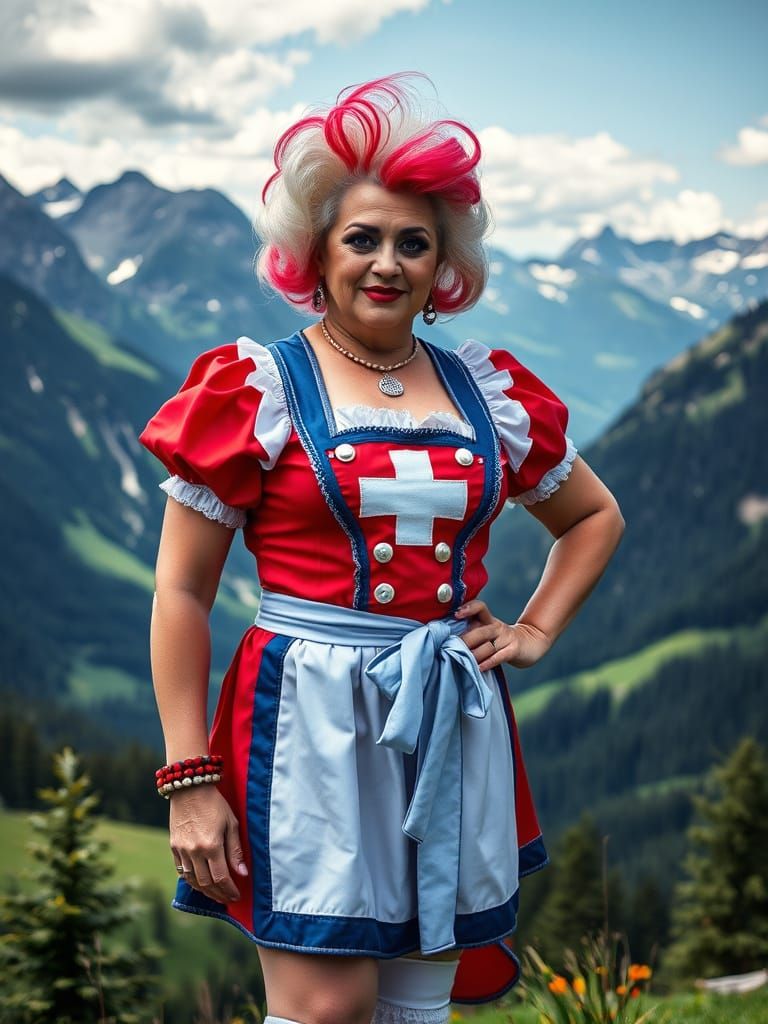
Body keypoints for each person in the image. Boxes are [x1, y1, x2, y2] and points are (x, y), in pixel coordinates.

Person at [139, 73, 625, 1024]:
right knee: (325, 1009)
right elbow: (181, 593)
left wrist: (532, 631)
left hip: (448, 709)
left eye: (415, 243)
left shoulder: (489, 392)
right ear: (312, 254)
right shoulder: (256, 388)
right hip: (303, 719)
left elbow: (593, 517)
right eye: (362, 238)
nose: (388, 263)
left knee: (416, 1005)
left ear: (444, 265)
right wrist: (189, 779)